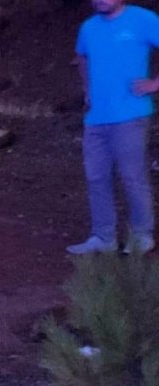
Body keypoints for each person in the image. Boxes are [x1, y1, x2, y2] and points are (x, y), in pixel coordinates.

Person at [69, 0, 159, 255]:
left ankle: (142, 235)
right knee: (96, 178)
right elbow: (81, 56)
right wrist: (87, 90)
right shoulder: (88, 27)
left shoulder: (143, 19)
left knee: (133, 177)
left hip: (131, 115)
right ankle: (103, 237)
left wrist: (154, 84)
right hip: (96, 117)